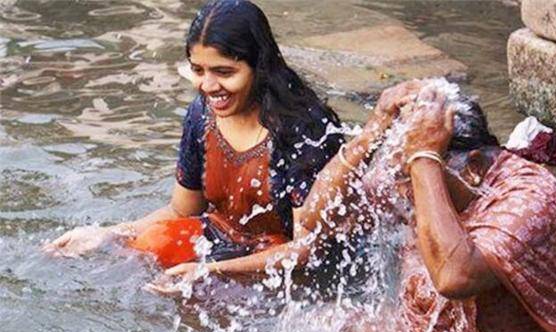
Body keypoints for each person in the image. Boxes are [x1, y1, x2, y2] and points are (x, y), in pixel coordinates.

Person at [44, 0, 416, 282]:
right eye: (198, 71)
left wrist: (214, 273)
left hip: (288, 260)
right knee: (140, 257)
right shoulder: (200, 115)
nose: (208, 86)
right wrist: (108, 234)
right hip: (224, 240)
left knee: (201, 298)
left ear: (260, 66)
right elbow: (181, 212)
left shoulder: (302, 128)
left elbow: (309, 247)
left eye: (224, 72)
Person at [357, 85, 556, 332]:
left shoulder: (530, 193)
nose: (402, 192)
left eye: (410, 176)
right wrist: (372, 130)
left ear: (473, 167)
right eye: (401, 175)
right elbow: (313, 224)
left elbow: (455, 277)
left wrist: (424, 158)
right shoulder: (407, 180)